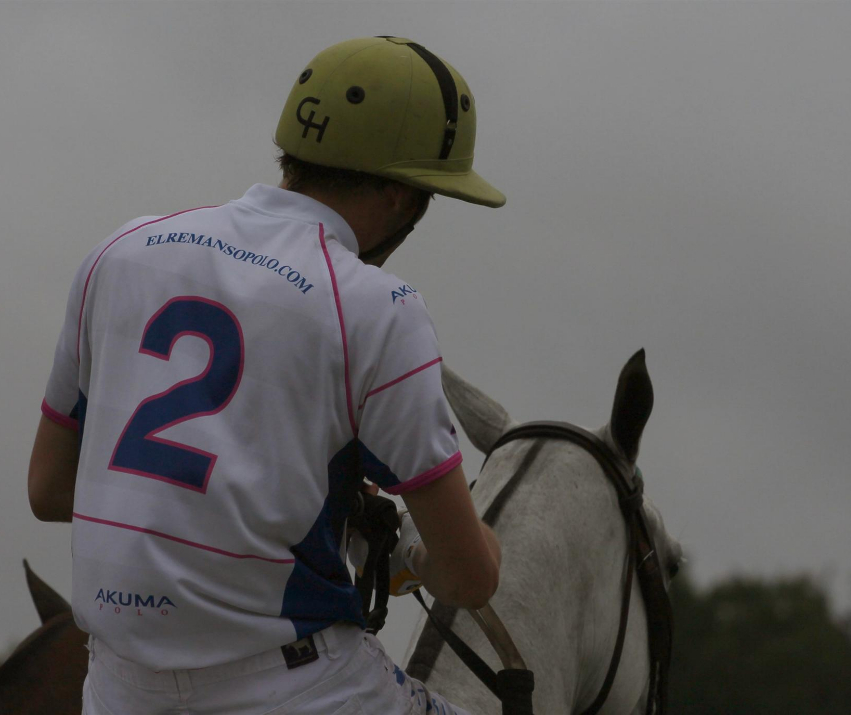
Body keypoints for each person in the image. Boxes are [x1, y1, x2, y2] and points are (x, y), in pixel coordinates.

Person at [27, 36, 505, 715]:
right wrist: (421, 552)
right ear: (404, 197)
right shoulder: (380, 307)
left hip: (115, 689)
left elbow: (48, 489)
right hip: (301, 689)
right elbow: (469, 577)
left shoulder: (120, 250)